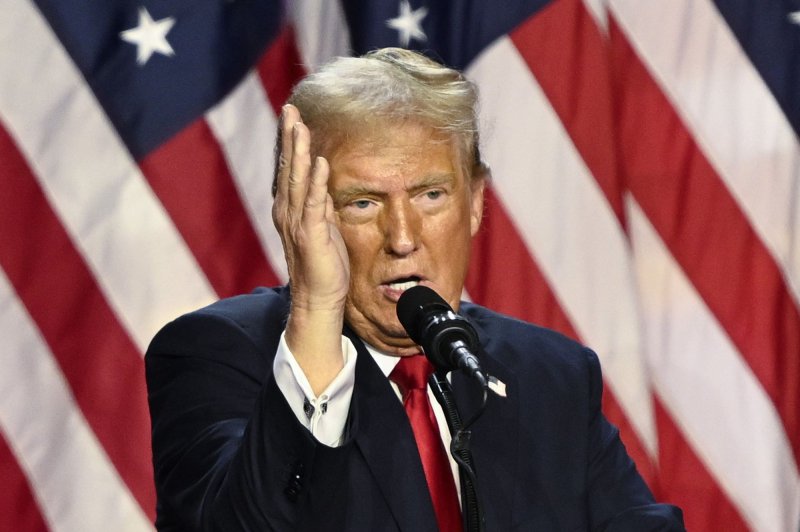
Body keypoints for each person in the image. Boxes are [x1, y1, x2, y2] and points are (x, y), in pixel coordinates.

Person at [145, 48, 684, 531]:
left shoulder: (549, 374)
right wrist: (315, 308)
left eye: (431, 195)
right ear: (297, 213)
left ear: (475, 202)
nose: (403, 239)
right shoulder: (216, 354)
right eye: (363, 203)